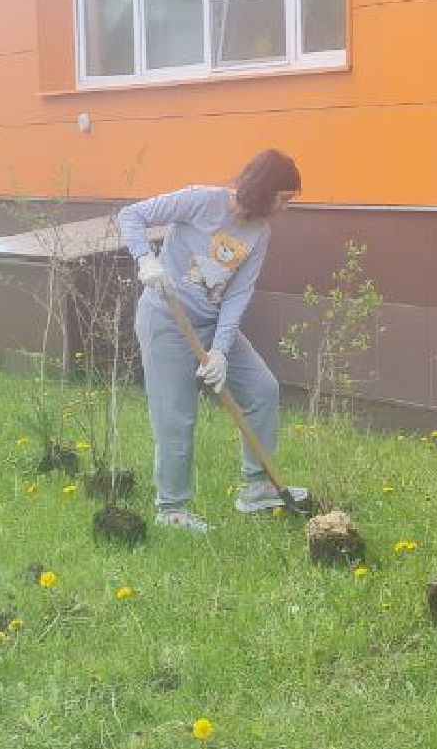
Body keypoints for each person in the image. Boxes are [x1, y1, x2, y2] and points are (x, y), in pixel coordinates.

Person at [117, 149, 304, 532]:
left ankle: (257, 487)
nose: (285, 207)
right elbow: (131, 215)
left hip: (212, 324)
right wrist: (144, 259)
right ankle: (172, 508)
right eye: (284, 198)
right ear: (265, 189)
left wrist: (220, 349)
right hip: (166, 321)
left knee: (262, 389)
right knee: (176, 417)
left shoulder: (259, 233)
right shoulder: (202, 200)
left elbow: (238, 294)